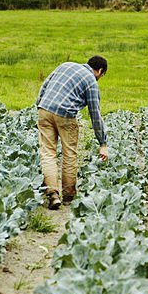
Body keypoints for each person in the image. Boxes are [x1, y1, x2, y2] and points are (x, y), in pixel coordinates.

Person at [35, 56, 110, 210]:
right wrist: (103, 142)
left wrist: (40, 108)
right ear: (100, 71)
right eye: (102, 76)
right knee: (69, 154)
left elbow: (44, 86)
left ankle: (53, 194)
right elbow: (95, 114)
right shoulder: (91, 81)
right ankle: (68, 195)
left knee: (48, 153)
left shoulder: (65, 65)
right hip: (65, 115)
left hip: (44, 109)